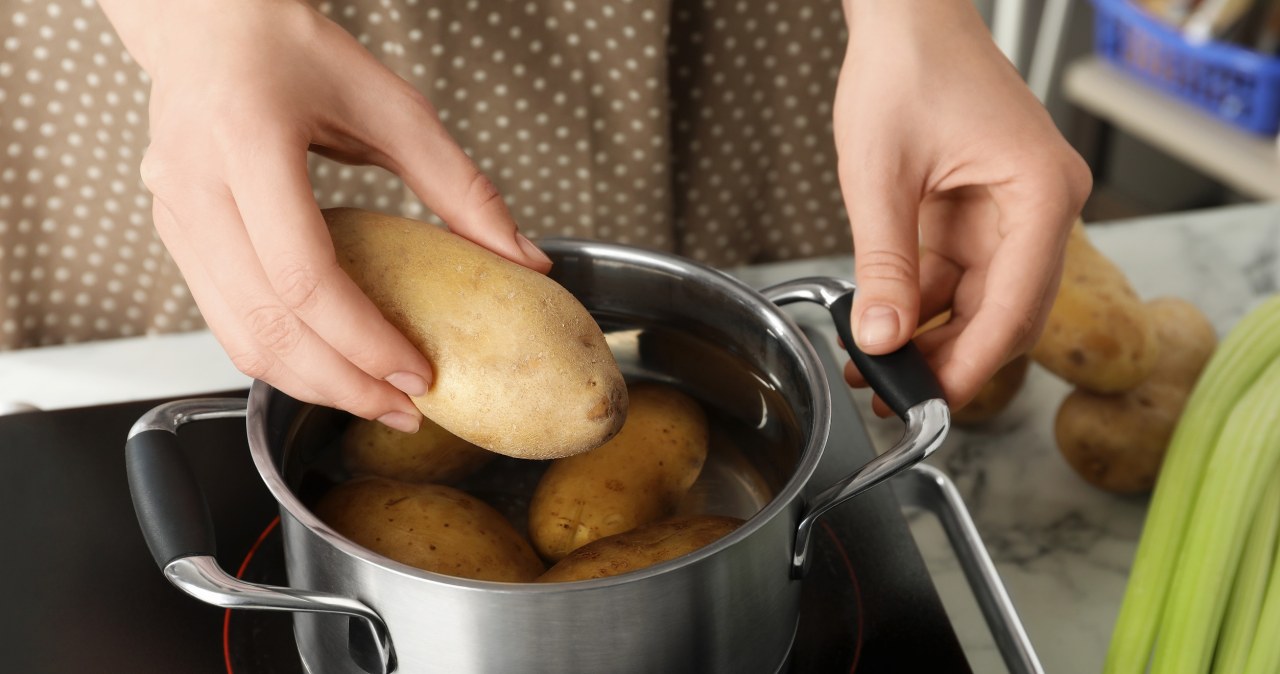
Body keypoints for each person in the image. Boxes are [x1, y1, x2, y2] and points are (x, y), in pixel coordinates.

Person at [9, 0, 1088, 431]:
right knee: (285, 302)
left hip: (741, 37)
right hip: (244, 39)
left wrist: (917, 19)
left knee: (755, 349)